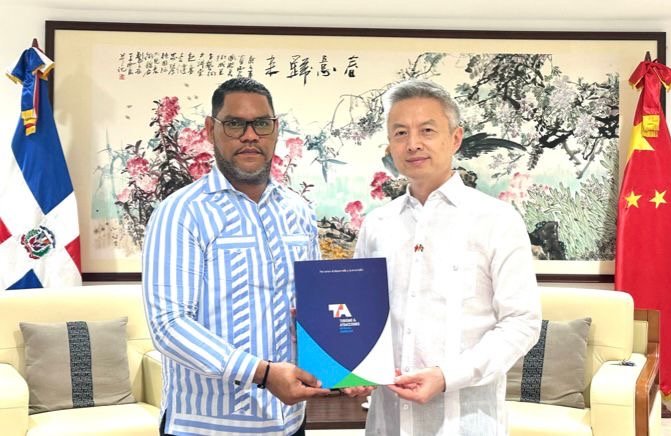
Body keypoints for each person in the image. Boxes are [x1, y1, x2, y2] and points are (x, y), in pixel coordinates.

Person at [351, 79, 542, 435]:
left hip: (466, 422)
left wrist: (446, 377)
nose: (413, 144)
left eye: (427, 130)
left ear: (455, 138)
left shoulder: (496, 220)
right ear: (390, 144)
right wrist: (351, 366)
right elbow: (360, 316)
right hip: (387, 423)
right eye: (400, 133)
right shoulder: (377, 225)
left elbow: (521, 323)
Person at [142, 77, 330, 436]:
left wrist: (346, 367)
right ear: (210, 130)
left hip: (290, 423)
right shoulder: (181, 213)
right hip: (207, 427)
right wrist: (263, 373)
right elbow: (169, 326)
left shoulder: (299, 212)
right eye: (234, 124)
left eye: (261, 123)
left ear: (275, 129)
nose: (250, 135)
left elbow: (314, 309)